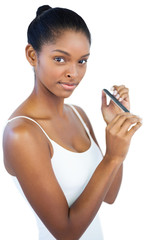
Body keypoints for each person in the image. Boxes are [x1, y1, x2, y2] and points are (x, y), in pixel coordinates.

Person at [3, 5, 142, 240]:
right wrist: (113, 157)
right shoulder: (22, 133)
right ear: (32, 55)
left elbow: (109, 195)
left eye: (82, 61)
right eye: (60, 59)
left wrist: (113, 127)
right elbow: (66, 233)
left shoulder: (79, 114)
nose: (74, 73)